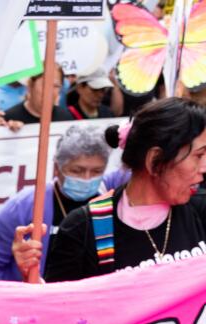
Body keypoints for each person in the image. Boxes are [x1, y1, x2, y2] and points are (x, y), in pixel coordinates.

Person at [46, 98, 206, 281]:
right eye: (199, 155)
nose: (204, 167)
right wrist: (31, 275)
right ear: (154, 160)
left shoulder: (200, 210)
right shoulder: (83, 228)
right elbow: (60, 303)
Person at [0, 125, 115, 281]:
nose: (87, 178)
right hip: (34, 298)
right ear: (57, 167)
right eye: (77, 170)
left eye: (97, 171)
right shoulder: (21, 207)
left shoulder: (109, 204)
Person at [3, 67, 74, 125]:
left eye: (56, 86)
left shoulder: (65, 118)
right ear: (31, 85)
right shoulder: (10, 118)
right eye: (45, 84)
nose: (50, 91)